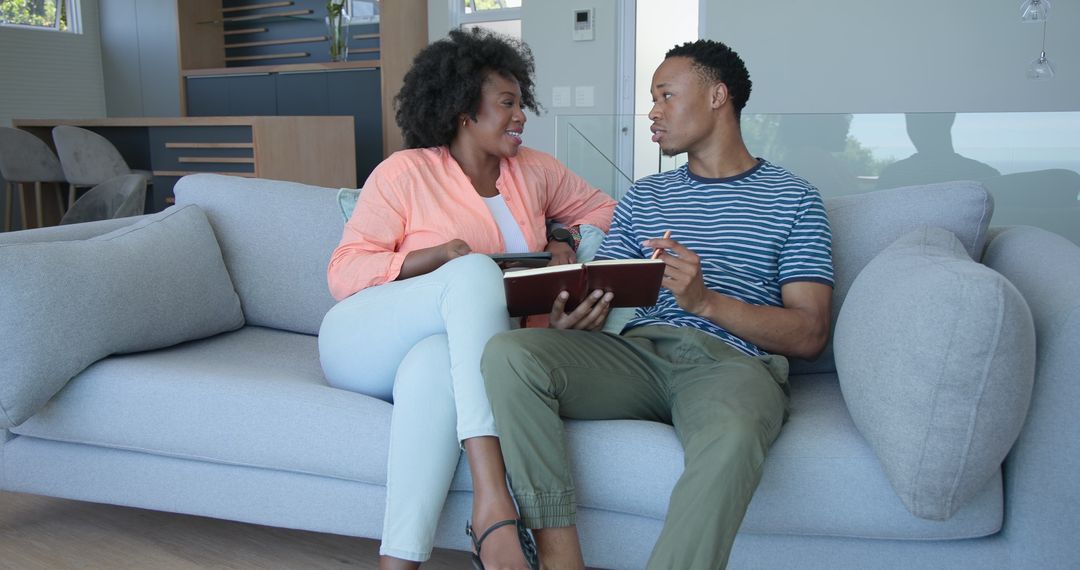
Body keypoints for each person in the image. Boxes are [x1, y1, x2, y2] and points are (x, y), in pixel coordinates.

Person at [481, 39, 835, 570]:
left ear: (718, 97)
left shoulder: (795, 199)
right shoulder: (644, 198)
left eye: (666, 95)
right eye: (652, 98)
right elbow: (600, 287)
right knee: (510, 353)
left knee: (734, 435)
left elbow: (809, 335)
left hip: (731, 364)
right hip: (639, 354)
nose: (652, 111)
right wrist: (570, 318)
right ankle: (559, 556)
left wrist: (705, 300)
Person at [318, 28, 616, 570]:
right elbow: (344, 272)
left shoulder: (535, 171)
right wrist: (436, 258)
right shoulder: (404, 173)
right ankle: (493, 505)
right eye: (507, 103)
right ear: (463, 111)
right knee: (475, 270)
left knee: (434, 365)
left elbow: (605, 209)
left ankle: (398, 561)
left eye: (521, 102)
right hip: (361, 338)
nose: (521, 115)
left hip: (440, 354)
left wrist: (562, 239)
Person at [875, 112, 1000, 190]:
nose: (915, 128)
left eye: (916, 120)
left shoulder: (893, 176)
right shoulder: (985, 175)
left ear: (949, 119)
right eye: (911, 119)